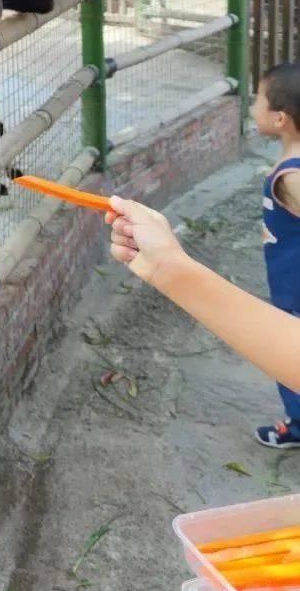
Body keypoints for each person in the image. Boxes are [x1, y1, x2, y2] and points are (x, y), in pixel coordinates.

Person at [108, 62, 300, 441]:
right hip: (287, 277)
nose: (251, 106)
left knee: (283, 351)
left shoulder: (291, 176)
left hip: (295, 285)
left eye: (257, 100)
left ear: (280, 118)